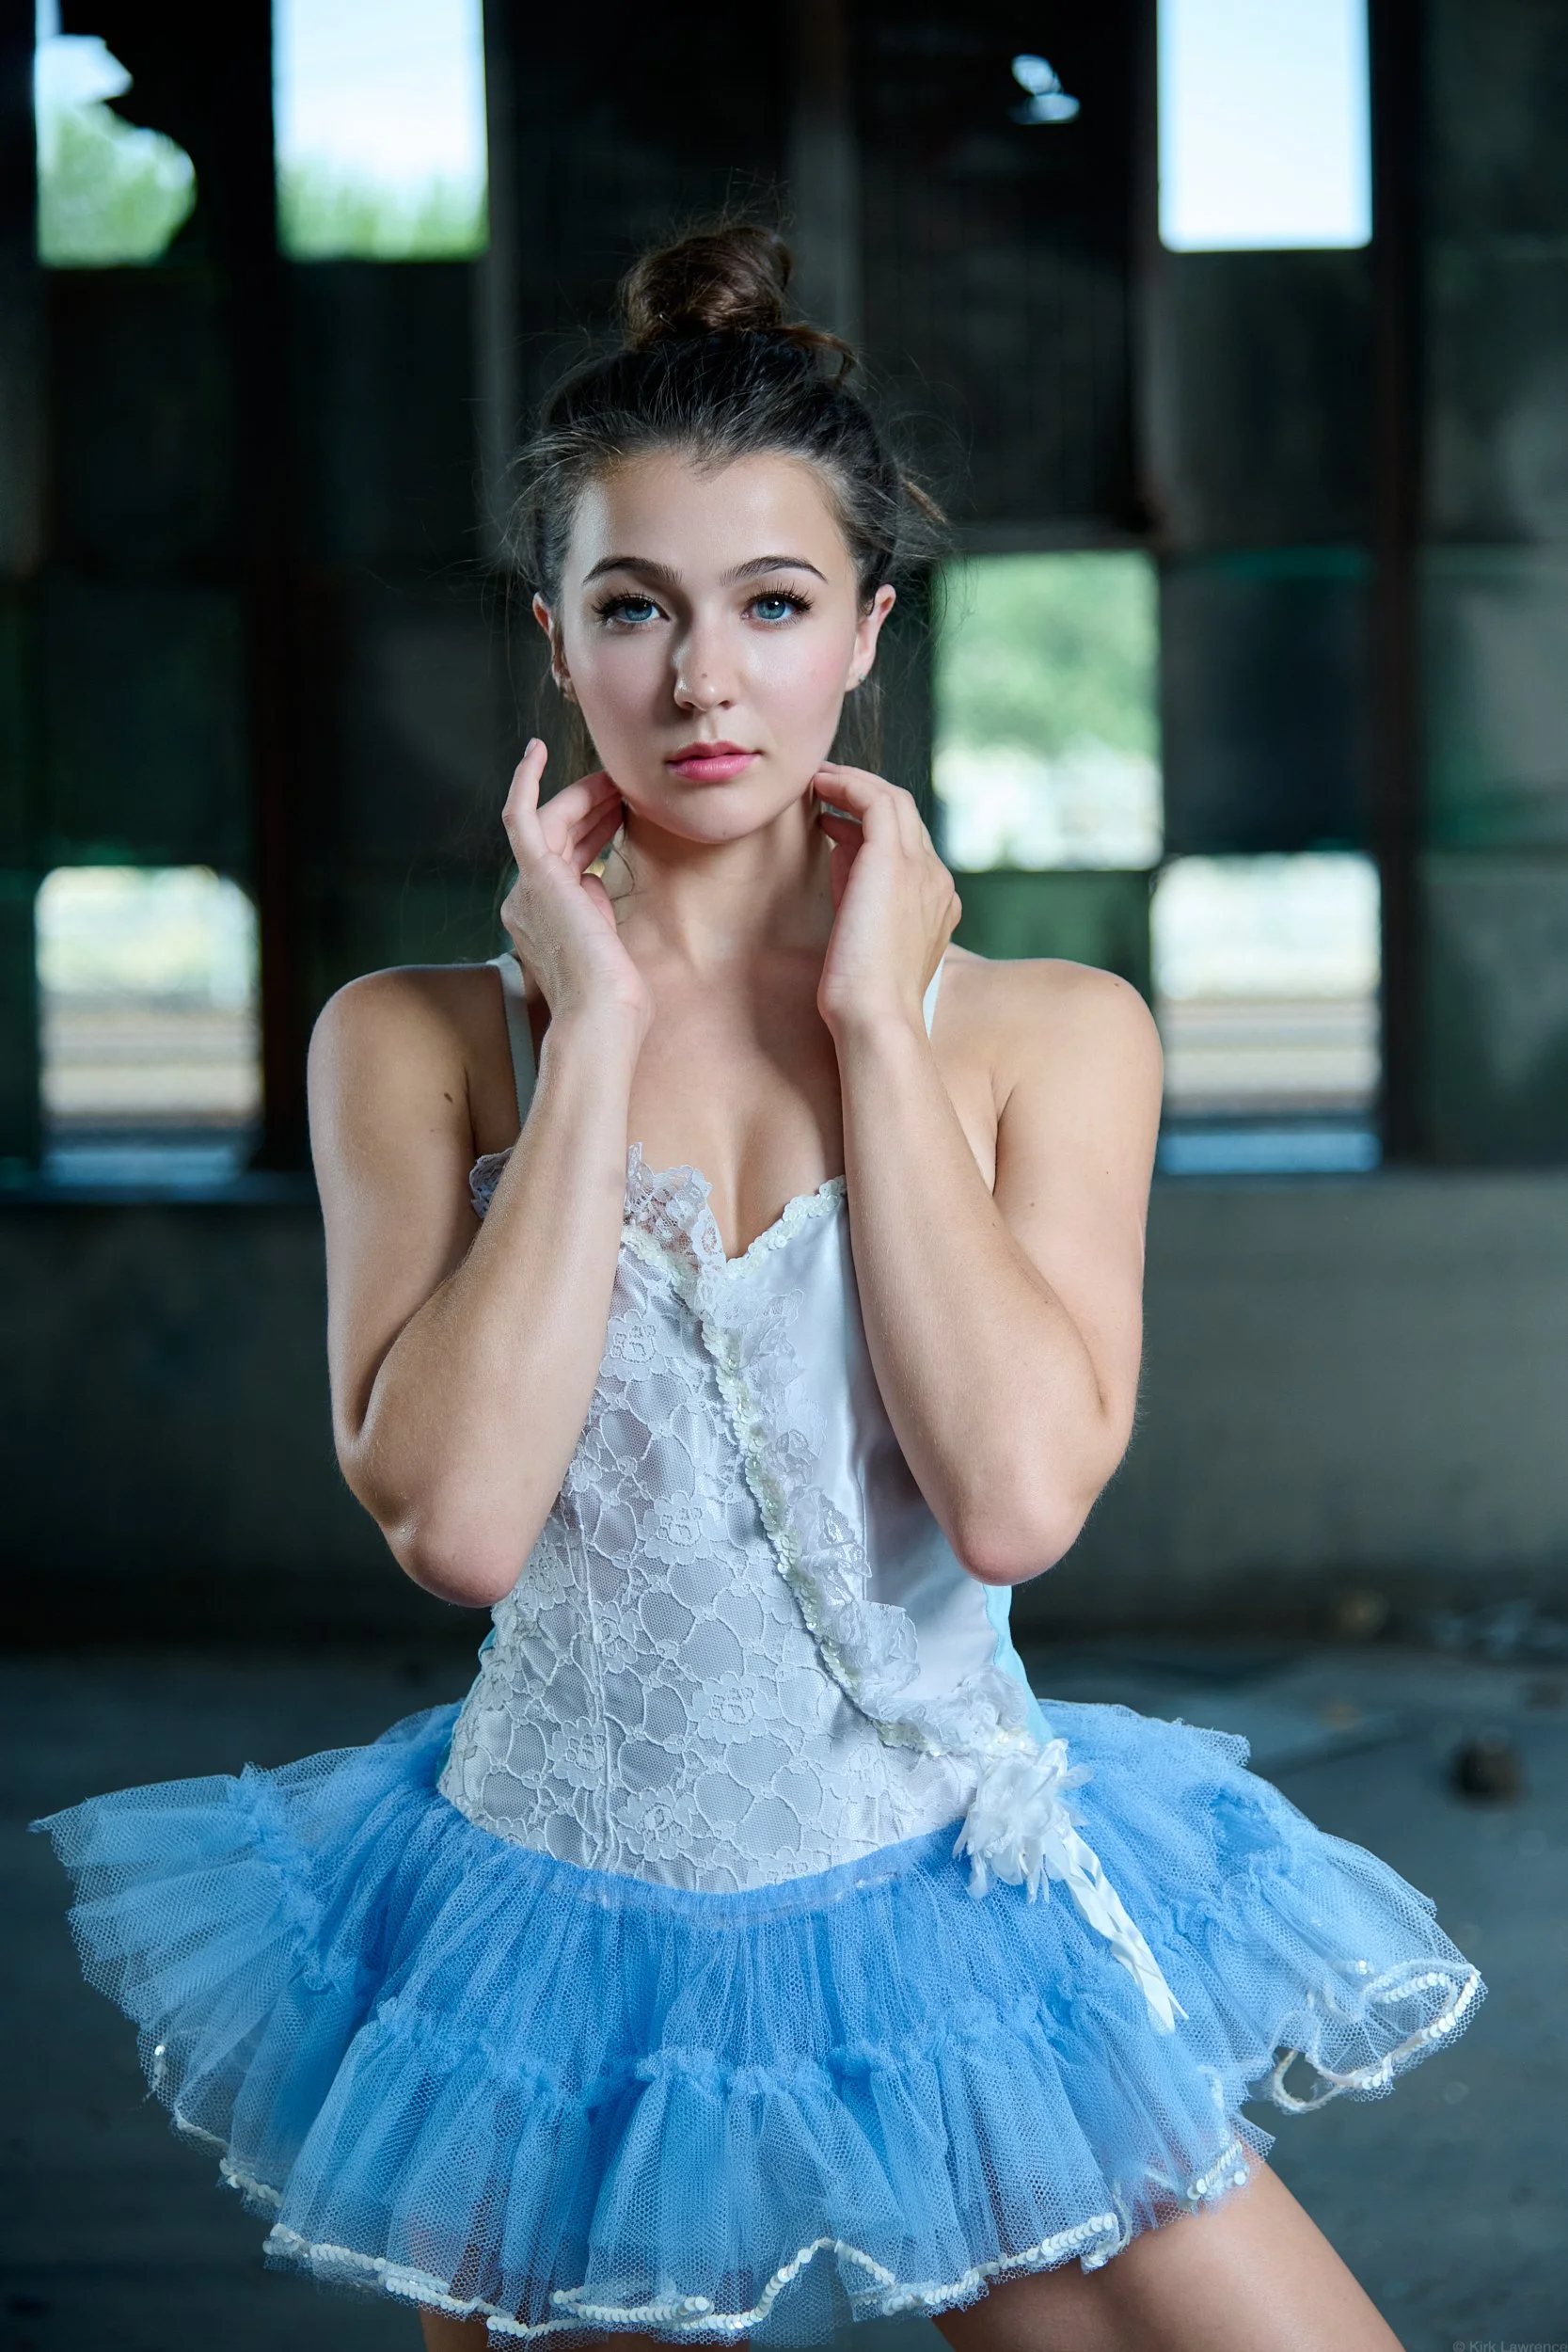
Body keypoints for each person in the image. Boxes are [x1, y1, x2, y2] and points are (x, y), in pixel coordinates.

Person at [36, 224, 1483, 2352]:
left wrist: (879, 1032)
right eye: (634, 608)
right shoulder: (409, 1042)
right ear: (555, 640)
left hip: (948, 1898)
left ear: (863, 635)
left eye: (770, 604)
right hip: (561, 1948)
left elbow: (1010, 1500)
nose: (701, 680)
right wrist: (591, 1033)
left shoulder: (1047, 1031)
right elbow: (451, 1522)